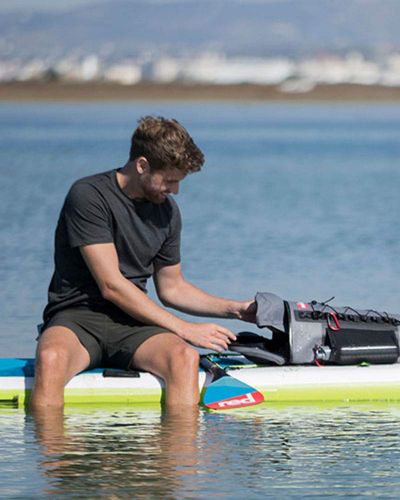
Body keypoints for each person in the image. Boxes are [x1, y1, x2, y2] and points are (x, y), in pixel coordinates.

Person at [31, 116, 256, 409]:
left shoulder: (168, 213)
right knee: (51, 359)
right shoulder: (88, 196)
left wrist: (234, 309)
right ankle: (55, 455)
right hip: (77, 319)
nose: (175, 190)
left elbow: (172, 288)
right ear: (142, 165)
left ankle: (178, 454)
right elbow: (111, 285)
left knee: (184, 358)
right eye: (170, 180)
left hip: (133, 324)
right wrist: (185, 329)